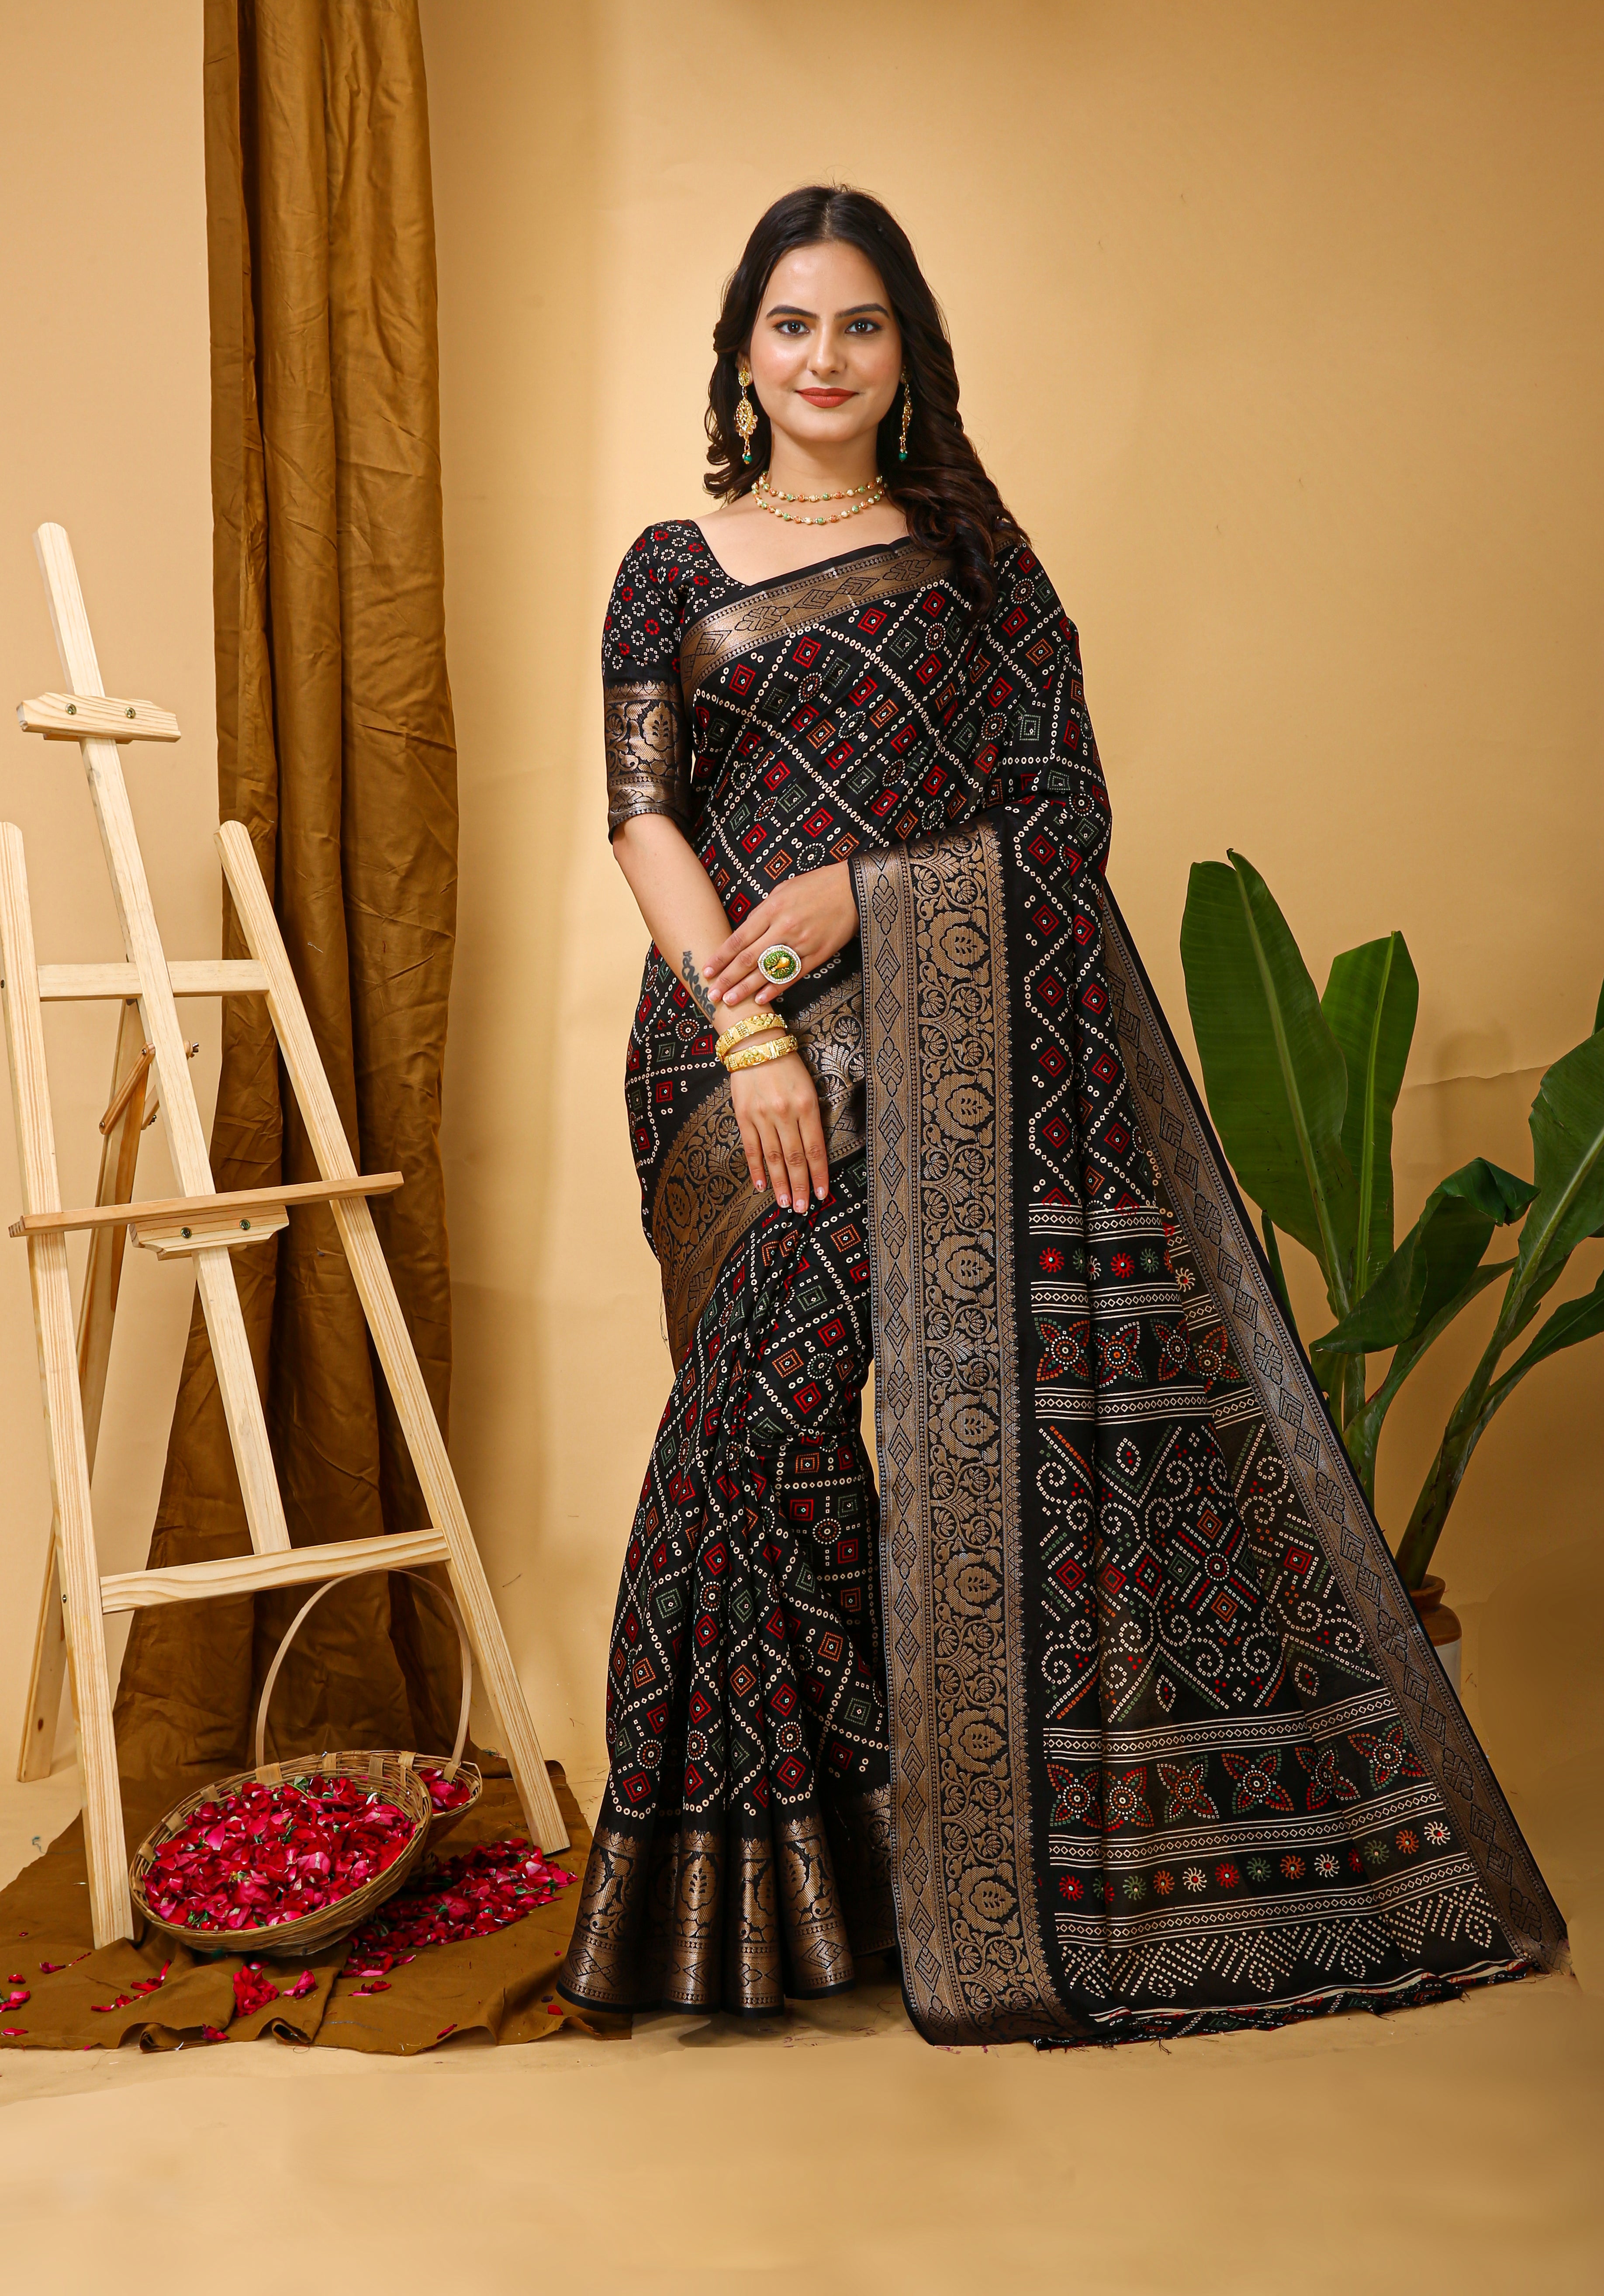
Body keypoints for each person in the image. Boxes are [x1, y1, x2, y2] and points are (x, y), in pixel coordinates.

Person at [557, 186, 1563, 2044]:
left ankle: (838, 1875)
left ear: (907, 354)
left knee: (823, 1425)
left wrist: (868, 898)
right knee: (761, 1419)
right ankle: (770, 1884)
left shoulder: (978, 564)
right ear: (743, 352)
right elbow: (645, 815)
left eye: (862, 326)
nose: (826, 359)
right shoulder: (668, 566)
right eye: (792, 325)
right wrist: (752, 1029)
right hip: (726, 1050)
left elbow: (1061, 817)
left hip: (949, 1042)